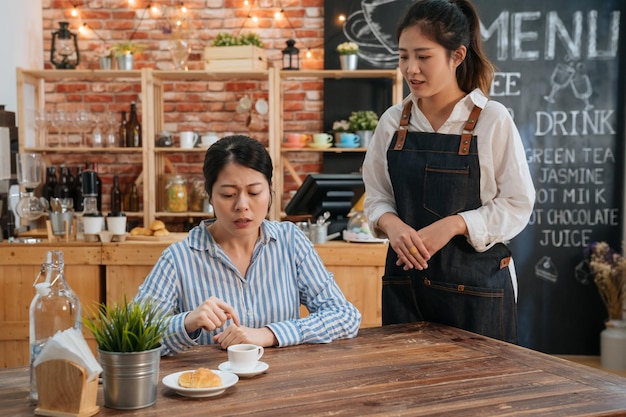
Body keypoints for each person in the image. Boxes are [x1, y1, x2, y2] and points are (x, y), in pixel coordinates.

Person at [362, 0, 535, 343]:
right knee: (408, 391)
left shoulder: (492, 119)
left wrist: (455, 225)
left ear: (457, 55)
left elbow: (517, 204)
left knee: (479, 394)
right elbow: (377, 195)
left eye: (423, 57)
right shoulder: (393, 122)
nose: (411, 69)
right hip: (406, 289)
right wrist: (391, 224)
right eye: (403, 56)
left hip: (477, 294)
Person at [135, 135, 361, 355]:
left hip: (285, 385)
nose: (242, 205)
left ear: (270, 192)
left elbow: (345, 316)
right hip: (211, 387)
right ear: (210, 197)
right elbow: (135, 335)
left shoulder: (290, 242)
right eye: (228, 194)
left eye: (254, 192)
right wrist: (185, 323)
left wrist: (270, 334)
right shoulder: (179, 258)